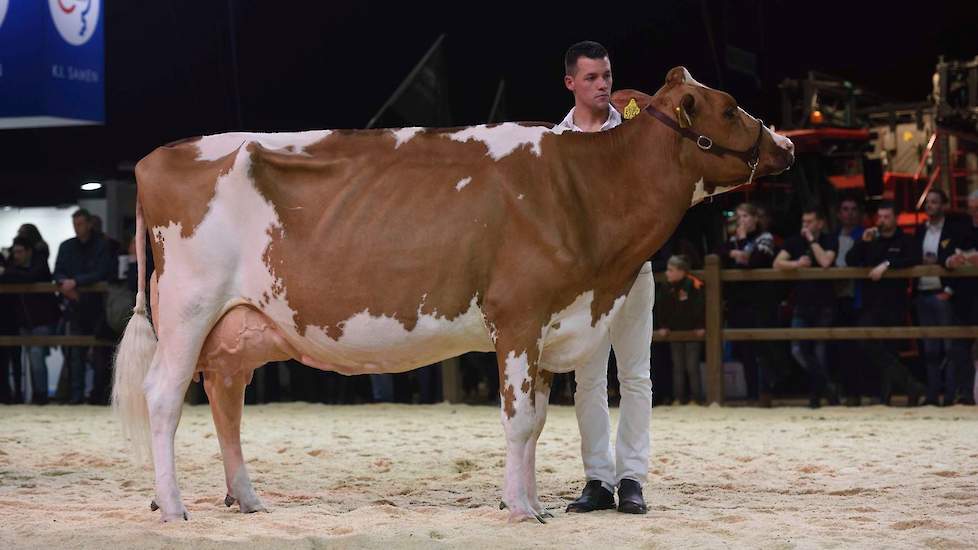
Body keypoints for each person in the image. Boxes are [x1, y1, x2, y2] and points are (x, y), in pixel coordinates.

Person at [556, 40, 651, 515]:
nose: (602, 84)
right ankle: (598, 478)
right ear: (571, 82)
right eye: (591, 77)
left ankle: (632, 478)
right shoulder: (557, 143)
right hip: (582, 277)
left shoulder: (636, 130)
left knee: (635, 376)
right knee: (587, 379)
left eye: (607, 75)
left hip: (633, 266)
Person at [846, 202, 924, 405]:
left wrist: (887, 265)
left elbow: (914, 258)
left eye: (886, 217)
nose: (881, 220)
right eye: (879, 217)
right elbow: (850, 260)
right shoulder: (871, 239)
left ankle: (888, 397)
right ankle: (910, 385)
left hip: (896, 304)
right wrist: (862, 242)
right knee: (865, 340)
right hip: (872, 304)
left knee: (890, 349)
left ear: (895, 218)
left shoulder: (906, 239)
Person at [774, 207, 840, 408]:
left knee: (819, 351)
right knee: (798, 350)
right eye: (804, 222)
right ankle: (827, 387)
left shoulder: (829, 239)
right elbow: (777, 263)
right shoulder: (794, 241)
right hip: (801, 303)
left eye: (810, 221)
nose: (806, 226)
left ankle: (816, 396)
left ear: (820, 223)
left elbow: (826, 262)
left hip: (824, 303)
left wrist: (812, 241)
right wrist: (796, 264)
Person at [718, 202, 779, 406]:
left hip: (760, 302)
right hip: (738, 303)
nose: (741, 221)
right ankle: (752, 394)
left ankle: (765, 393)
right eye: (738, 217)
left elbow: (754, 262)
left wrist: (741, 246)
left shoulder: (765, 238)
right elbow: (720, 255)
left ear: (755, 218)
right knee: (744, 350)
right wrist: (736, 252)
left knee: (763, 350)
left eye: (745, 217)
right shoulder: (732, 240)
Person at [53, 209, 115, 405]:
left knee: (100, 354)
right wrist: (64, 284)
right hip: (75, 305)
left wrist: (76, 282)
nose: (77, 228)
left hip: (98, 306)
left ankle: (99, 396)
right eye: (75, 224)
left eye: (80, 224)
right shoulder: (67, 246)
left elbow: (103, 271)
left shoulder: (102, 245)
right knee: (75, 355)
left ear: (89, 224)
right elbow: (58, 271)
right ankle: (76, 396)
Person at [914, 189, 966, 406]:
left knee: (949, 347)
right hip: (923, 292)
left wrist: (950, 291)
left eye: (934, 202)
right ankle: (933, 394)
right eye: (928, 202)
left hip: (943, 293)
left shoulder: (953, 230)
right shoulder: (919, 231)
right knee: (930, 349)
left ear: (943, 205)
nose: (930, 206)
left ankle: (951, 393)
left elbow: (959, 260)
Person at [1, 237, 61, 404]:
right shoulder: (14, 269)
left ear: (29, 252)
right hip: (25, 321)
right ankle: (35, 394)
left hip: (42, 319)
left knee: (35, 356)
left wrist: (8, 272)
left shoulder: (38, 266)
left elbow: (29, 277)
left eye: (20, 251)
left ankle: (41, 395)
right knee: (30, 357)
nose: (16, 255)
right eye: (15, 252)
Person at [942, 189, 978, 405]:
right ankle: (965, 393)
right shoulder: (960, 226)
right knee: (959, 348)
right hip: (964, 297)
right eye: (972, 210)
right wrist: (950, 261)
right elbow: (944, 251)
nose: (975, 214)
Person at [656, 255, 705, 404]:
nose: (667, 273)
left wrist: (700, 325)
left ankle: (696, 399)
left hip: (692, 332)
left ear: (682, 271)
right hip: (675, 332)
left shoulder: (694, 284)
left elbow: (702, 307)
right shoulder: (665, 286)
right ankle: (679, 398)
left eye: (670, 270)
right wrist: (663, 326)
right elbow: (661, 308)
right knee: (677, 366)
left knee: (692, 366)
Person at [832, 197, 866, 405]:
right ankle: (841, 392)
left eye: (853, 209)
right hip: (835, 298)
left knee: (857, 348)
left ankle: (856, 393)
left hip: (857, 297)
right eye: (845, 209)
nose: (849, 213)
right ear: (839, 213)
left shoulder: (864, 235)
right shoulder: (831, 236)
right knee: (838, 348)